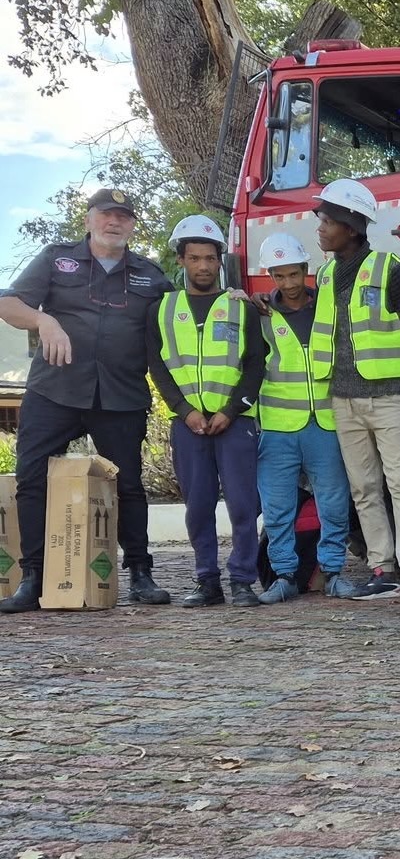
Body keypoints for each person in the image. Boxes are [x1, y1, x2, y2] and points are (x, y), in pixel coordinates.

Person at [0, 189, 172, 614]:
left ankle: (141, 574)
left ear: (133, 225)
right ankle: (33, 579)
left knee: (129, 485)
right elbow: (8, 302)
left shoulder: (150, 275)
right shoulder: (57, 259)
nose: (114, 222)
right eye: (105, 215)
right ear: (89, 219)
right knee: (32, 479)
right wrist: (43, 319)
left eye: (123, 217)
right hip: (54, 390)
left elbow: (184, 311)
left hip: (120, 394)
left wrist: (235, 300)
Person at [308, 178, 400, 607]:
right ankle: (382, 569)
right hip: (343, 398)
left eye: (327, 221)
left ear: (352, 226)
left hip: (390, 397)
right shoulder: (324, 275)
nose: (320, 228)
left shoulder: (388, 267)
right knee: (363, 488)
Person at [146, 215, 263, 608]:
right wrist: (182, 411)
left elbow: (255, 364)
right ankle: (206, 581)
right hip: (189, 423)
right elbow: (157, 365)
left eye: (210, 258)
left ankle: (243, 580)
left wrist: (231, 410)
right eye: (194, 258)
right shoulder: (162, 309)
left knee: (244, 504)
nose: (203, 266)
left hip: (235, 421)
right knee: (197, 506)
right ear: (180, 260)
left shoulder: (238, 307)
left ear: (220, 261)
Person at [249, 233, 367, 604]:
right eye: (280, 277)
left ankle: (333, 572)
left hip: (326, 422)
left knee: (334, 500)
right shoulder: (260, 314)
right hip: (278, 426)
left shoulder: (326, 309)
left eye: (294, 275)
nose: (289, 284)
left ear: (306, 270)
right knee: (277, 505)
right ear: (272, 276)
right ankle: (283, 576)